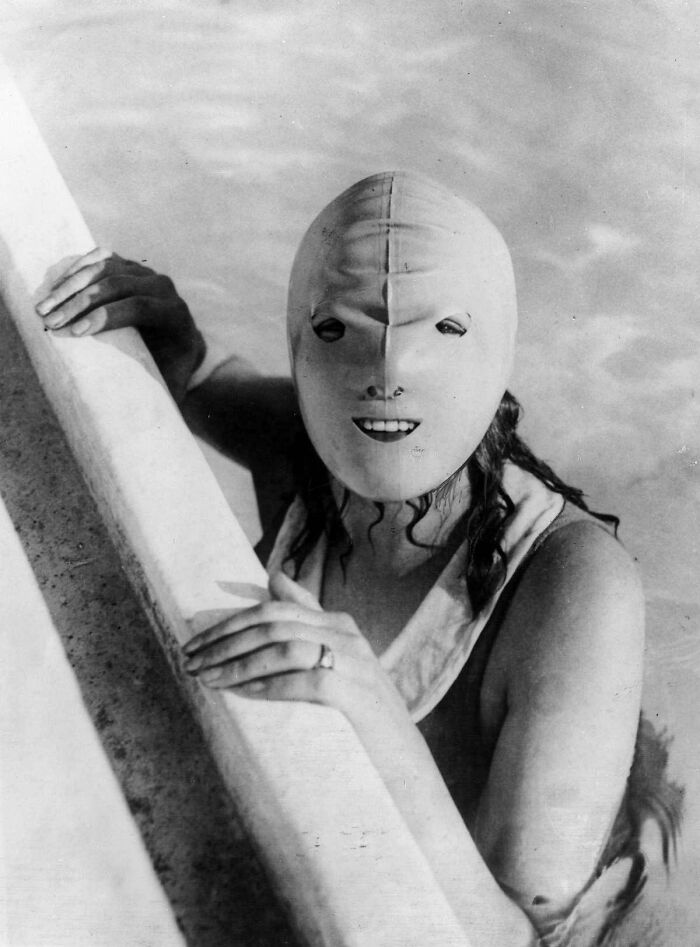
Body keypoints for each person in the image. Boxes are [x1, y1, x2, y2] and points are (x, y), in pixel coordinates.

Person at [37, 171, 682, 945]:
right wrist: (174, 344)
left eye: (441, 330)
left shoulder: (575, 587)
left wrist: (374, 711)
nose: (385, 374)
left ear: (499, 347)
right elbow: (208, 385)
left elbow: (516, 935)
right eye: (337, 331)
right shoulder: (308, 446)